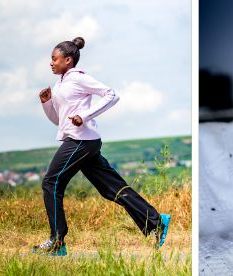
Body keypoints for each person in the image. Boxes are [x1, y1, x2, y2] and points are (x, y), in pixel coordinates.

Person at [30, 37, 171, 256]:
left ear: (68, 60)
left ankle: (57, 241)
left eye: (54, 59)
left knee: (51, 182)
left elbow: (111, 95)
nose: (51, 63)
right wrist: (47, 103)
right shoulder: (60, 84)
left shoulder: (78, 79)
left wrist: (84, 116)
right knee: (111, 189)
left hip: (81, 141)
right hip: (81, 140)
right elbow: (59, 121)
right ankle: (155, 221)